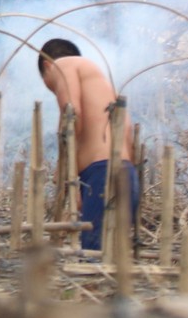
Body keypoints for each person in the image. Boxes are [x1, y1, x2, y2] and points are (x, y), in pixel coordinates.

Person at [36, 37, 138, 252]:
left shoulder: (62, 65)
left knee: (94, 255)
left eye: (49, 84)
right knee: (117, 255)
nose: (54, 90)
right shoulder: (102, 82)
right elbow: (127, 130)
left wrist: (67, 171)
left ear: (47, 66)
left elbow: (72, 112)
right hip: (127, 171)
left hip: (100, 173)